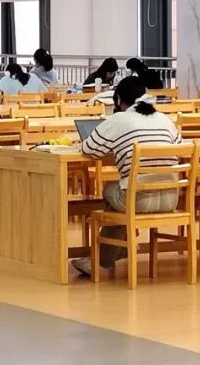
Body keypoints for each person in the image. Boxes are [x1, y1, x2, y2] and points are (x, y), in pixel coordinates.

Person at [71, 76, 183, 277]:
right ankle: (117, 249)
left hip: (137, 200)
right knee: (122, 192)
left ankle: (105, 257)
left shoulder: (119, 119)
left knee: (110, 189)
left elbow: (88, 148)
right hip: (171, 198)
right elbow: (180, 147)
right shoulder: (165, 119)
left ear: (118, 100)